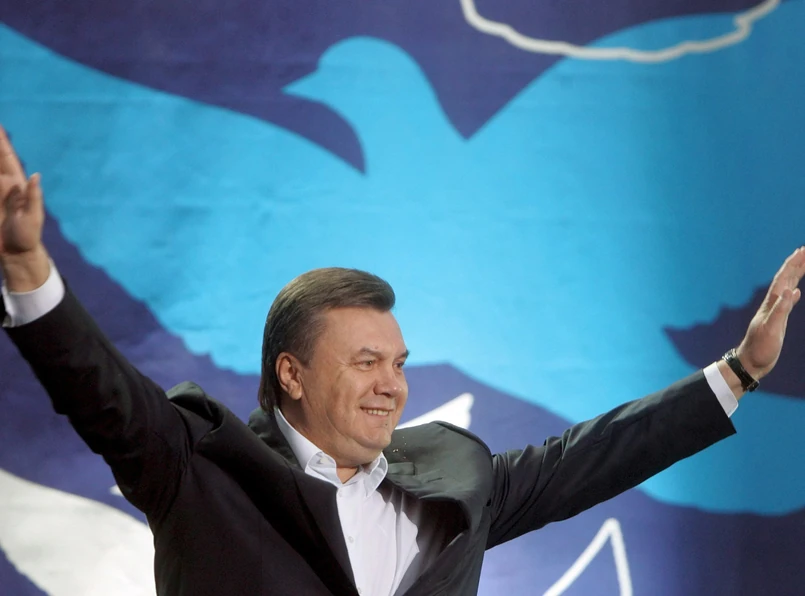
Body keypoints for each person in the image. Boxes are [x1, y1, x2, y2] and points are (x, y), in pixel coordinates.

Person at [0, 125, 802, 596]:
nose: (392, 385)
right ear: (290, 374)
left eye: (398, 362)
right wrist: (26, 265)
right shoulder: (201, 466)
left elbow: (589, 457)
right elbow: (98, 389)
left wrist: (738, 372)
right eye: (364, 362)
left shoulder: (452, 476)